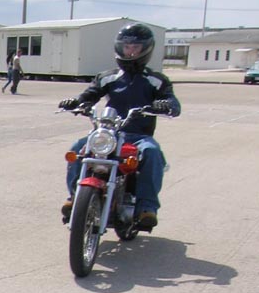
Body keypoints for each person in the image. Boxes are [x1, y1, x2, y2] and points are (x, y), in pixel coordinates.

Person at [59, 23, 180, 231]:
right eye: (127, 47)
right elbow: (89, 94)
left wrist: (166, 105)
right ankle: (74, 197)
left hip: (138, 135)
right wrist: (76, 102)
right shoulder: (107, 77)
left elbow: (172, 102)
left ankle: (147, 208)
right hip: (108, 133)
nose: (130, 51)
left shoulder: (156, 80)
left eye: (136, 47)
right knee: (77, 148)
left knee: (152, 152)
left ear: (146, 49)